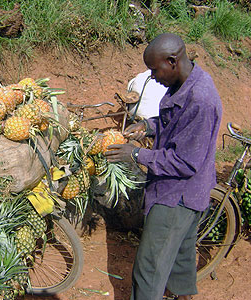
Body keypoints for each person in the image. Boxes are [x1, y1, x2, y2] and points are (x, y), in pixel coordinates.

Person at [105, 33, 222, 300]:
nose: (153, 77)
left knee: (149, 268)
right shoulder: (186, 83)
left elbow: (185, 162)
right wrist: (148, 126)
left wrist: (136, 155)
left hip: (177, 196)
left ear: (172, 61)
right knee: (181, 255)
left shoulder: (201, 100)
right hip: (187, 192)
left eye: (154, 70)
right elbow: (177, 123)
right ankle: (183, 296)